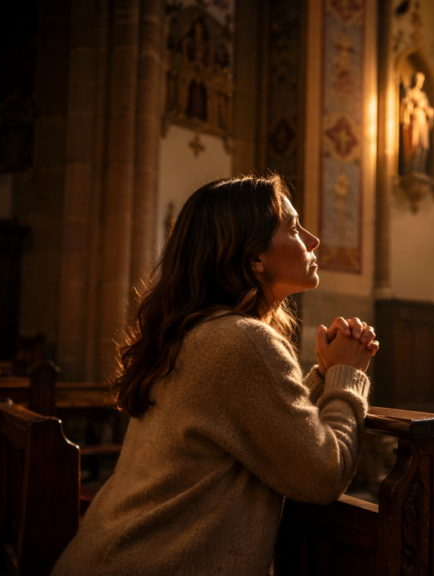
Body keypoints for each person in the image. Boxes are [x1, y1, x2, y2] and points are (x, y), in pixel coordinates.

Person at [52, 175, 379, 575]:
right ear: (254, 257)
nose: (312, 240)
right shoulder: (243, 341)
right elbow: (322, 474)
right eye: (293, 228)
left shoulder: (198, 330)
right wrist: (347, 376)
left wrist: (323, 375)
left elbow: (259, 422)